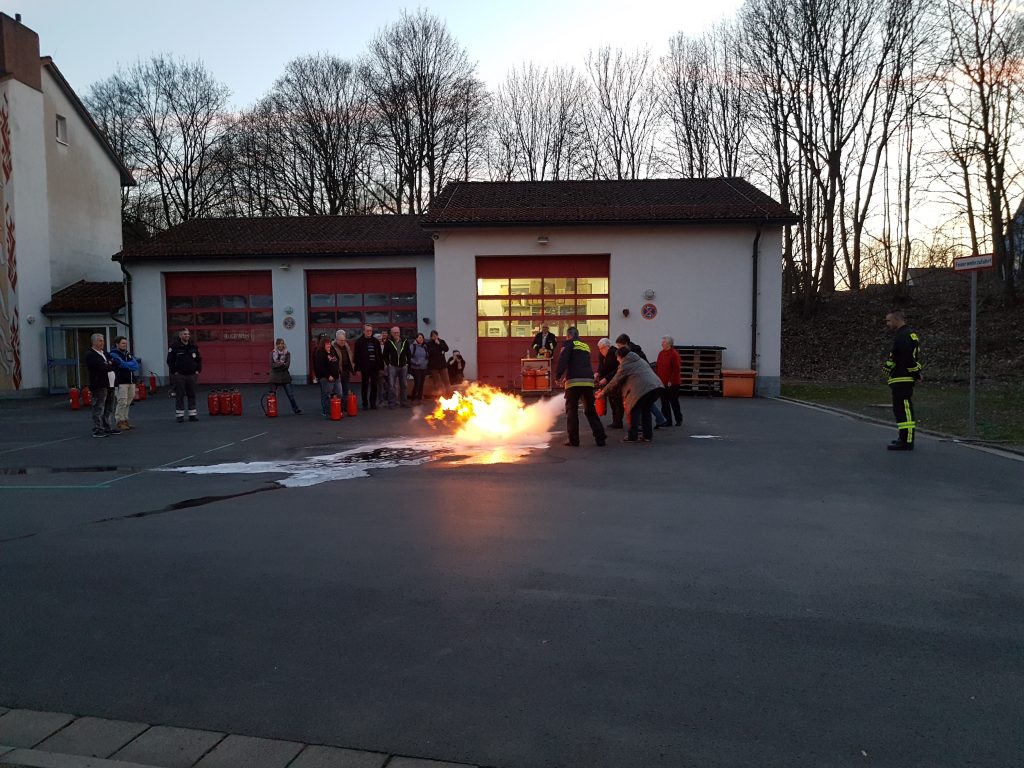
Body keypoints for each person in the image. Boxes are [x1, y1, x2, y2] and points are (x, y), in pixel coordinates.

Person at [599, 345, 665, 443]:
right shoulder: (639, 360)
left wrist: (603, 392)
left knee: (634, 410)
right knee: (646, 411)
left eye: (617, 357)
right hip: (656, 387)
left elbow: (615, 380)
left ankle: (632, 436)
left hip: (643, 389)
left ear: (622, 357)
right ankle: (647, 436)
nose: (617, 359)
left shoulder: (625, 364)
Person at [554, 326, 606, 448]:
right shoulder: (585, 345)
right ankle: (600, 438)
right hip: (588, 381)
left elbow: (563, 359)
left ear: (568, 335)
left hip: (574, 382)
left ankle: (574, 440)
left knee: (572, 411)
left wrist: (558, 376)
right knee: (590, 411)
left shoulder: (568, 344)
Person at [883, 309, 922, 451]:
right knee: (899, 410)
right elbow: (897, 357)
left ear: (896, 320)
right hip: (899, 378)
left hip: (903, 377)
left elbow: (908, 359)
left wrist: (916, 374)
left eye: (888, 321)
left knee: (905, 409)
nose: (887, 324)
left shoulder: (904, 336)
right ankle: (903, 437)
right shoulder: (903, 335)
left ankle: (907, 440)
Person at [615, 333, 669, 428]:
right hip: (646, 380)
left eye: (619, 346)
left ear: (625, 344)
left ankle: (638, 426)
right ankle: (659, 420)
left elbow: (630, 368)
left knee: (639, 404)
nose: (618, 348)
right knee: (648, 404)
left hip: (640, 381)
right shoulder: (635, 350)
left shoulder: (631, 353)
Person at [84, 333, 119, 437]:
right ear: (94, 342)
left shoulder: (105, 353)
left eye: (103, 340)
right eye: (100, 341)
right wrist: (109, 364)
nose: (102, 343)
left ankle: (107, 426)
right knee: (99, 407)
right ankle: (97, 429)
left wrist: (110, 364)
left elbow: (116, 363)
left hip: (111, 384)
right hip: (99, 384)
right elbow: (101, 367)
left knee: (109, 406)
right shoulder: (90, 355)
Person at [167, 328, 202, 423]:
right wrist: (174, 372)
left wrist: (198, 370)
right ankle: (180, 415)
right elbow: (170, 361)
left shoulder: (193, 346)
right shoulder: (174, 347)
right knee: (180, 395)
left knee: (192, 395)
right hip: (180, 375)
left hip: (192, 375)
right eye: (185, 334)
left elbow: (199, 359)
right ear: (180, 336)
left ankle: (192, 415)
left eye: (188, 334)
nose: (187, 335)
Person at [109, 335, 140, 430]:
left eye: (126, 343)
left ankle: (125, 419)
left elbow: (135, 366)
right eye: (123, 343)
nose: (125, 345)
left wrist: (127, 364)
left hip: (131, 381)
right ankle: (119, 421)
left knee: (128, 401)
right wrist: (128, 364)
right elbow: (120, 364)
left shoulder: (128, 354)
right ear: (117, 344)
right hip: (121, 381)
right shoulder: (114, 354)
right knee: (122, 401)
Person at [594, 337, 624, 429]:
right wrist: (598, 373)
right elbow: (601, 366)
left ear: (607, 346)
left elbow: (615, 369)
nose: (600, 350)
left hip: (614, 381)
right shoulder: (603, 354)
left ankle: (618, 421)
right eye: (599, 348)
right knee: (612, 400)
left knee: (616, 401)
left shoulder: (613, 353)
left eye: (602, 348)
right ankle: (615, 421)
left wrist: (606, 378)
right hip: (609, 380)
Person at [353, 324, 383, 410]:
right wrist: (357, 369)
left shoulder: (376, 342)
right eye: (367, 330)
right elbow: (356, 357)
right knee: (365, 385)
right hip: (364, 367)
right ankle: (365, 404)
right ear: (363, 331)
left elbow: (379, 355)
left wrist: (381, 367)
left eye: (370, 330)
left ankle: (373, 403)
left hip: (375, 367)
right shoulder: (359, 342)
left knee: (374, 386)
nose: (369, 332)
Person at [269, 338, 302, 414]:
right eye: (279, 344)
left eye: (282, 343)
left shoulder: (287, 353)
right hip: (274, 376)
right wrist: (281, 364)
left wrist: (278, 365)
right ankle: (272, 410)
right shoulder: (272, 353)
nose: (281, 345)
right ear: (276, 345)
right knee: (272, 395)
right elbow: (272, 365)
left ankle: (296, 409)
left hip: (285, 376)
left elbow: (287, 365)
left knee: (290, 394)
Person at [656, 335, 683, 427]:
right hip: (662, 382)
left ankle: (678, 419)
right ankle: (667, 420)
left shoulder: (674, 354)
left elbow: (676, 369)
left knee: (673, 401)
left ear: (668, 344)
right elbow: (658, 367)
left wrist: (671, 380)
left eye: (663, 342)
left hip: (673, 383)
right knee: (664, 402)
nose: (661, 344)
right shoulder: (661, 353)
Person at [313, 335, 342, 418]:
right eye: (327, 344)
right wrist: (328, 375)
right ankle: (327, 412)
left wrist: (338, 372)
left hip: (336, 377)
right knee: (327, 395)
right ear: (323, 345)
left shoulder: (332, 352)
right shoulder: (320, 353)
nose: (329, 345)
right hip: (326, 378)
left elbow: (337, 362)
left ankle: (336, 410)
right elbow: (320, 367)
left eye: (329, 344)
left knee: (339, 393)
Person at [383, 326, 410, 408]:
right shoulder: (388, 342)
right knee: (392, 385)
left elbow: (408, 353)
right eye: (394, 333)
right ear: (391, 333)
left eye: (397, 332)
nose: (396, 334)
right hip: (393, 366)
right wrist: (388, 363)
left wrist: (407, 363)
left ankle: (404, 402)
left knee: (404, 385)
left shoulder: (405, 341)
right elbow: (385, 355)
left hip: (403, 366)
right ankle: (392, 403)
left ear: (399, 332)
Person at [426, 330, 451, 398]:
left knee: (446, 381)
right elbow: (431, 352)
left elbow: (446, 349)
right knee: (437, 382)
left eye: (436, 335)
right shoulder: (429, 343)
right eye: (433, 336)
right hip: (433, 366)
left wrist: (439, 344)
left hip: (442, 365)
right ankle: (440, 396)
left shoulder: (441, 341)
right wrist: (440, 351)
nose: (435, 337)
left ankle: (449, 395)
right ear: (431, 337)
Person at [332, 330, 355, 399]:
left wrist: (353, 367)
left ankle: (344, 406)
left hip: (346, 371)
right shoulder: (332, 347)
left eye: (344, 340)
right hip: (338, 372)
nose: (343, 342)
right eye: (341, 340)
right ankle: (338, 407)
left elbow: (350, 357)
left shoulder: (346, 346)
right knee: (338, 391)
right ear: (337, 340)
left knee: (346, 389)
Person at [408, 332, 429, 402]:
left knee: (421, 384)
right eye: (419, 337)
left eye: (422, 338)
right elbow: (409, 357)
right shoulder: (412, 346)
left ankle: (419, 398)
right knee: (417, 383)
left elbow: (427, 357)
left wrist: (426, 363)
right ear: (416, 338)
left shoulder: (425, 347)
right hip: (416, 368)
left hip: (424, 368)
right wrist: (416, 363)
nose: (421, 339)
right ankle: (413, 398)